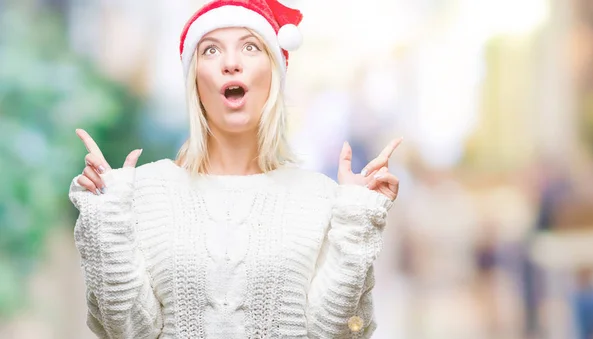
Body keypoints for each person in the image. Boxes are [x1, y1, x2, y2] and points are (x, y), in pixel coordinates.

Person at [68, 0, 401, 338]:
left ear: (274, 71)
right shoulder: (141, 193)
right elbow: (126, 332)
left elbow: (344, 332)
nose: (230, 63)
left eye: (250, 47)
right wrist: (108, 219)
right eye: (211, 50)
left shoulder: (322, 199)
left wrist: (357, 221)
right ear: (195, 79)